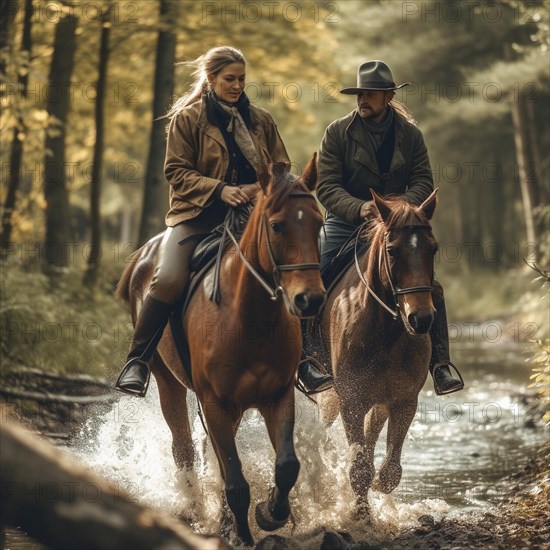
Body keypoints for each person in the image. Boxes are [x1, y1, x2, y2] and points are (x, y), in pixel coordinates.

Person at [115, 46, 332, 397]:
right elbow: (175, 171)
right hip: (196, 216)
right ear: (211, 78)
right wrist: (219, 190)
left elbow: (281, 167)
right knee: (168, 277)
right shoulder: (188, 119)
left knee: (298, 265)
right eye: (229, 79)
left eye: (241, 79)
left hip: (253, 216)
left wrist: (258, 190)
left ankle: (305, 359)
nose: (236, 85)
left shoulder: (261, 120)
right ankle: (137, 360)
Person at [315, 60, 464, 395]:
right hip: (346, 221)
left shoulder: (410, 135)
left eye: (370, 93)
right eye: (360, 93)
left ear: (388, 96)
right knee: (317, 275)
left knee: (431, 287)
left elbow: (424, 179)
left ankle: (440, 365)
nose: (362, 99)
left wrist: (398, 211)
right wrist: (361, 207)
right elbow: (326, 186)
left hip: (398, 223)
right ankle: (310, 360)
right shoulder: (337, 132)